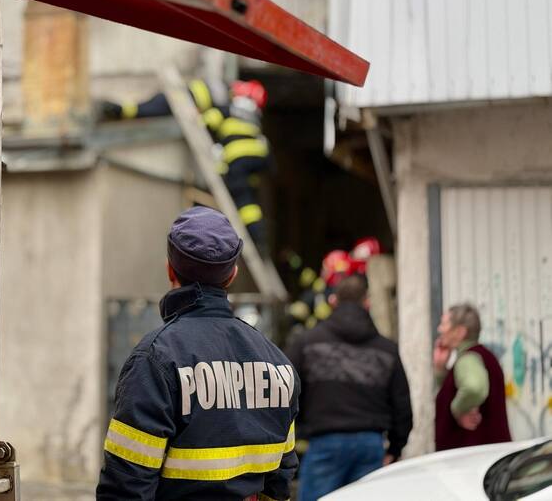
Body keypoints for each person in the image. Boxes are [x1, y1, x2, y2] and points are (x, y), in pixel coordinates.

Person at [97, 206, 299, 501]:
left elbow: (126, 485)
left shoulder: (155, 360)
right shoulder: (277, 363)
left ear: (169, 269)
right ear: (232, 275)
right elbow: (281, 475)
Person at [99, 79, 272, 248]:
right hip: (258, 157)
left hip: (237, 158)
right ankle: (258, 235)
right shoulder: (252, 117)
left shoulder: (227, 108)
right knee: (247, 198)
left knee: (240, 193)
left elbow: (209, 120)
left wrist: (198, 120)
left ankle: (256, 235)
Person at [285, 275, 412, 501]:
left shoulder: (307, 343)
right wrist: (395, 448)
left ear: (333, 301)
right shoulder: (387, 349)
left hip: (325, 442)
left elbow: (286, 389)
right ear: (367, 302)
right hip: (370, 445)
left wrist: (299, 430)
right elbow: (402, 405)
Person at [433, 303, 511, 451]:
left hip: (472, 459)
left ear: (460, 332)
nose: (439, 329)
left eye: (444, 324)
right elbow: (453, 392)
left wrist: (458, 409)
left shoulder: (468, 359)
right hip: (484, 456)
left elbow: (474, 388)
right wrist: (440, 368)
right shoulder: (481, 356)